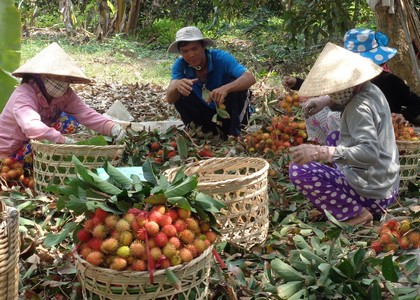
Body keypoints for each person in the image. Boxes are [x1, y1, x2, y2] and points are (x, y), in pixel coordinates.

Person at [289, 42, 400, 226]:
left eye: (333, 88)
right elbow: (346, 98)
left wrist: (321, 153)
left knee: (298, 170)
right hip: (387, 187)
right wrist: (325, 101)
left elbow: (369, 153)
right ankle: (343, 201)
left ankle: (357, 213)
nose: (330, 92)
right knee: (335, 136)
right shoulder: (370, 89)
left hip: (374, 196)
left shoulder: (359, 107)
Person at [0, 42, 126, 166]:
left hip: (31, 141)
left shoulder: (66, 94)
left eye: (66, 78)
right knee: (51, 144)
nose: (63, 82)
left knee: (69, 121)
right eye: (57, 76)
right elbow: (31, 127)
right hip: (9, 154)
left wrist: (111, 127)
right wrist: (62, 141)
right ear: (42, 74)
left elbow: (84, 112)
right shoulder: (24, 94)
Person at [283, 29, 420, 132]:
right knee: (325, 115)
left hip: (380, 133)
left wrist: (402, 116)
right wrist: (297, 83)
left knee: (334, 118)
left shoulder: (391, 82)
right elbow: (330, 88)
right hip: (350, 132)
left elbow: (417, 103)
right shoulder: (348, 79)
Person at [165, 26, 256, 137]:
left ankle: (235, 133)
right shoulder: (180, 65)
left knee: (236, 85)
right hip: (206, 115)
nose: (191, 55)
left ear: (203, 46)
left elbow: (250, 78)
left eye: (194, 49)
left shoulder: (221, 58)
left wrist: (226, 88)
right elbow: (170, 99)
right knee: (179, 90)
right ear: (180, 52)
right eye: (185, 51)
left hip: (230, 113)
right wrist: (176, 86)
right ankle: (197, 133)